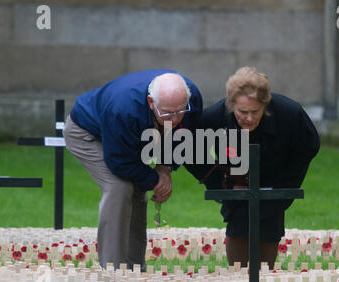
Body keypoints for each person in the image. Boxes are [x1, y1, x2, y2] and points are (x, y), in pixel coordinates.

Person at [63, 69, 203, 270]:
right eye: (167, 113)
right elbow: (120, 162)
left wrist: (164, 169)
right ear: (150, 102)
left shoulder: (192, 100)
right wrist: (154, 181)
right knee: (119, 187)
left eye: (180, 111)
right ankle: (112, 274)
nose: (174, 119)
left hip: (130, 136)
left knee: (137, 191)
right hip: (87, 132)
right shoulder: (123, 109)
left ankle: (135, 270)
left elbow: (183, 136)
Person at [185, 67, 320, 269]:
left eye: (255, 112)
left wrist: (285, 186)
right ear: (231, 106)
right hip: (236, 183)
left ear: (266, 105)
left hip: (275, 181)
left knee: (268, 229)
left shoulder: (290, 114)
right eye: (242, 112)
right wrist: (218, 185)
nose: (248, 118)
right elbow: (188, 148)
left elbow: (309, 147)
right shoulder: (215, 117)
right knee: (238, 226)